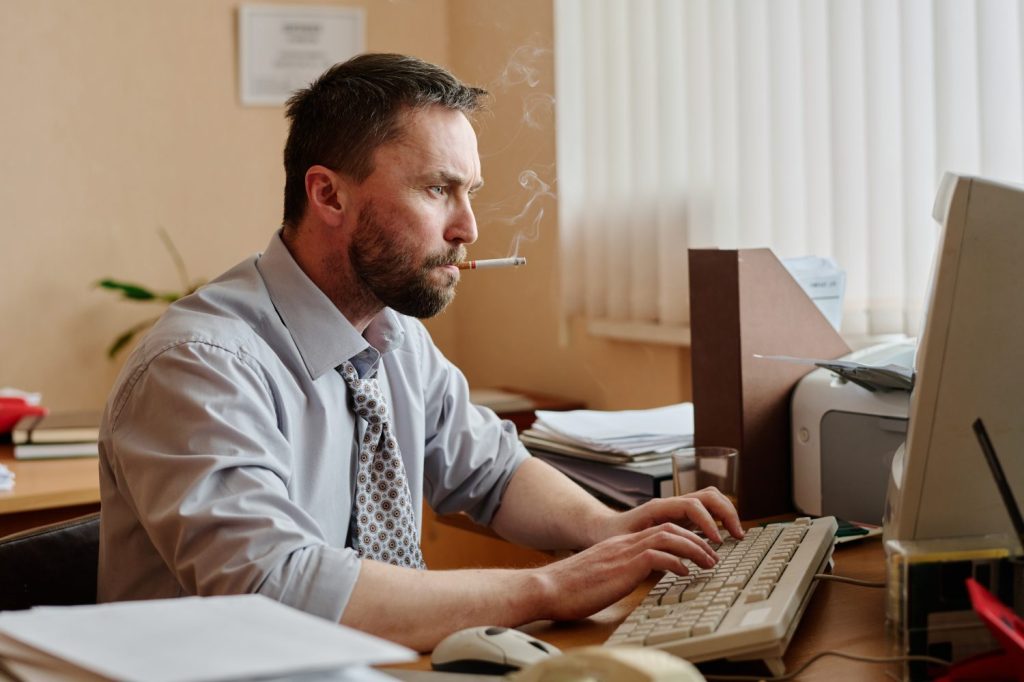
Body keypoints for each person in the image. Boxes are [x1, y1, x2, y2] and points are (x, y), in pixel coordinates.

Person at [97, 53, 743, 652]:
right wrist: (550, 588)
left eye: (471, 192)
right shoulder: (197, 365)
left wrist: (610, 531)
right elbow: (275, 587)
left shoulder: (394, 336)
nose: (468, 228)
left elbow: (494, 472)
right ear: (328, 195)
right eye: (439, 190)